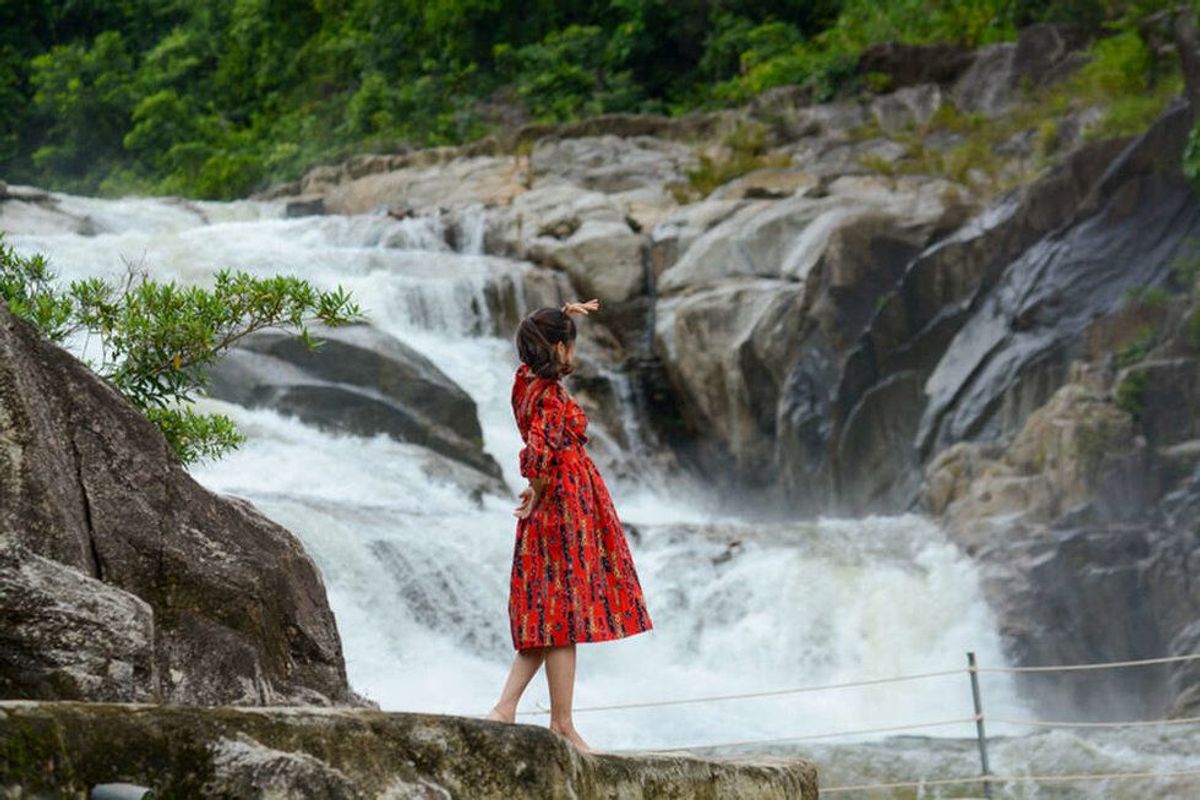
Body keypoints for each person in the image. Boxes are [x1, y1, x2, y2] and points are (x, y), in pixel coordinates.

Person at [484, 298, 653, 753]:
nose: (573, 354)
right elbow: (539, 451)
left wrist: (564, 311)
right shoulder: (549, 395)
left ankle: (506, 708)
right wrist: (537, 488)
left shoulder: (524, 383)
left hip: (557, 500)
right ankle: (561, 723)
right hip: (564, 505)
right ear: (558, 349)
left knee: (548, 612)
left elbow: (538, 447)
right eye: (569, 345)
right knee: (562, 615)